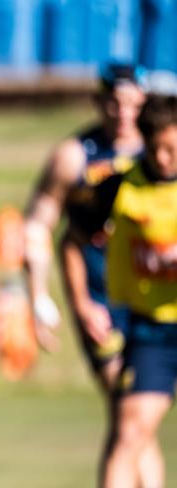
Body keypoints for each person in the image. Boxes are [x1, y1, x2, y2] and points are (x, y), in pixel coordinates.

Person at [23, 63, 149, 481]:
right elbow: (39, 227)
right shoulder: (75, 157)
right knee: (130, 408)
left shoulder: (162, 151)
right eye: (114, 102)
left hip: (152, 301)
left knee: (138, 419)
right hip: (98, 301)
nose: (123, 113)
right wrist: (40, 298)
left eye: (132, 103)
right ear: (99, 102)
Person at [103, 94, 177, 488]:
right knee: (130, 434)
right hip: (153, 332)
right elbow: (72, 239)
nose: (164, 158)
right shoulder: (119, 186)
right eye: (156, 148)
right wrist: (83, 302)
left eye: (173, 149)